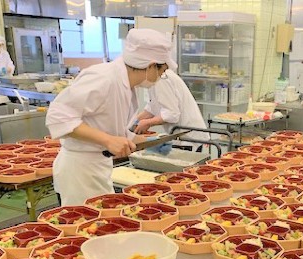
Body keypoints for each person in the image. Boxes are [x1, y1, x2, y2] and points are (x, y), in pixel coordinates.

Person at [45, 29, 176, 206]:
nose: (161, 77)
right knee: (88, 220)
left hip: (97, 166)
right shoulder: (103, 78)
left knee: (104, 218)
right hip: (80, 170)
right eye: (162, 71)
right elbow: (59, 117)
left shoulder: (126, 84)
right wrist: (108, 141)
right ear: (151, 66)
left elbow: (110, 128)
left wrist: (148, 142)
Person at [134, 68, 209, 150]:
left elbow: (172, 114)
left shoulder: (162, 78)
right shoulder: (154, 80)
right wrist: (134, 122)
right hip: (181, 135)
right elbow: (153, 107)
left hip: (188, 137)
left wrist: (147, 123)